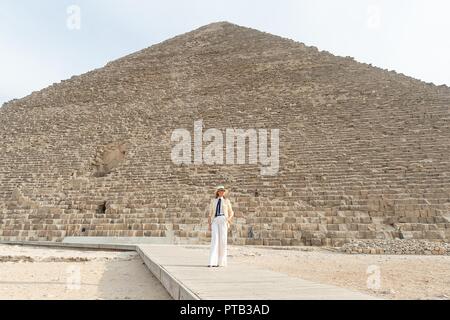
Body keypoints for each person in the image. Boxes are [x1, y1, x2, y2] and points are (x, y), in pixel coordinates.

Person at [207, 185, 234, 267]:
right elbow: (210, 214)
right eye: (220, 190)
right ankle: (212, 262)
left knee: (222, 240)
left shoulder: (227, 201)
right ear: (217, 192)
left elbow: (231, 212)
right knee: (214, 240)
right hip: (215, 220)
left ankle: (221, 262)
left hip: (223, 219)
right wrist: (209, 224)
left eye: (223, 191)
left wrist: (229, 219)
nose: (222, 192)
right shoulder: (213, 201)